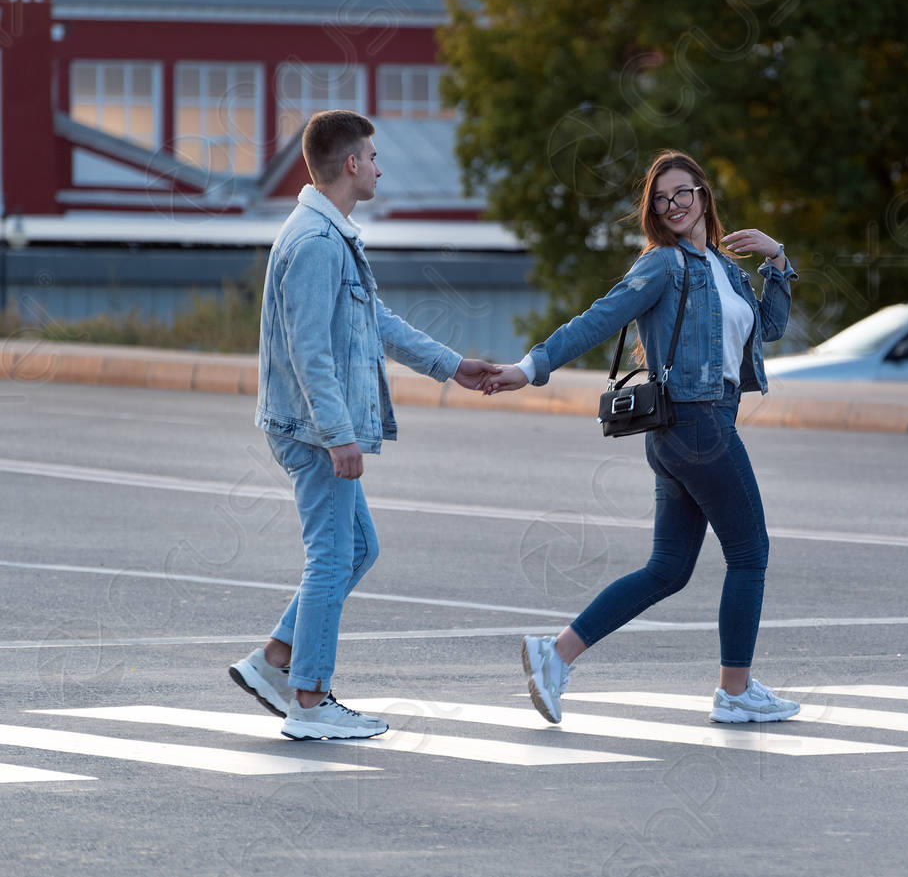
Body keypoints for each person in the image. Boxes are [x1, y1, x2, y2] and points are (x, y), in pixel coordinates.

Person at [485, 150, 800, 725]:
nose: (673, 205)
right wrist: (530, 368)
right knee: (750, 555)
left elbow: (770, 328)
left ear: (704, 195)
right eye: (661, 198)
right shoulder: (664, 264)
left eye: (683, 193)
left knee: (668, 570)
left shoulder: (727, 270)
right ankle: (735, 691)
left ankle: (555, 656)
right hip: (696, 422)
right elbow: (601, 317)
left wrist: (777, 258)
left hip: (690, 429)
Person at [230, 110, 502, 740]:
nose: (380, 167)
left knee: (358, 549)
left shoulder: (332, 236)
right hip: (312, 429)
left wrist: (453, 365)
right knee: (330, 558)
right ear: (350, 164)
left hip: (315, 426)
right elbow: (309, 352)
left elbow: (376, 322)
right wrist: (338, 434)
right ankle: (309, 698)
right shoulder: (317, 244)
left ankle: (274, 661)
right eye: (374, 157)